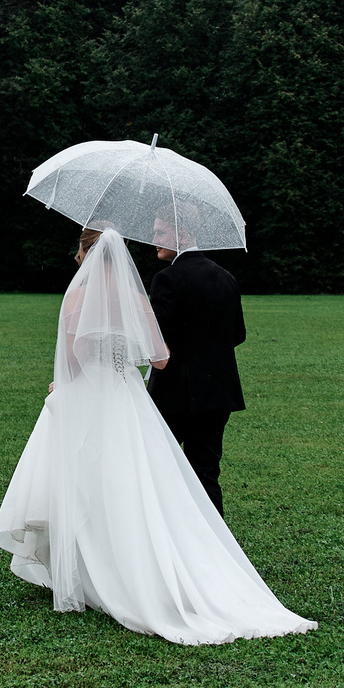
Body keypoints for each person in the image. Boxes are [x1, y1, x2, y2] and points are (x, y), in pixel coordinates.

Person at [0, 225, 315, 645]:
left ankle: (94, 568)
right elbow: (160, 359)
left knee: (91, 480)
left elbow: (72, 360)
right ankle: (175, 560)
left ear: (86, 253)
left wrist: (67, 381)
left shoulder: (77, 295)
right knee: (152, 481)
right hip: (131, 397)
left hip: (93, 395)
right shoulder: (139, 296)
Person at [143, 213, 244, 516]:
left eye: (161, 233)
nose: (155, 240)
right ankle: (215, 548)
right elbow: (237, 334)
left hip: (175, 393)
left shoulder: (167, 279)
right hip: (217, 392)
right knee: (206, 473)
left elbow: (158, 339)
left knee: (164, 471)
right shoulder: (226, 277)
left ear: (183, 234)